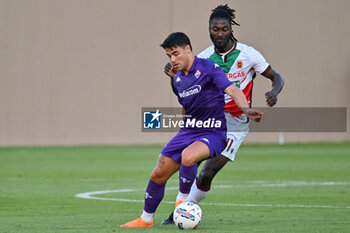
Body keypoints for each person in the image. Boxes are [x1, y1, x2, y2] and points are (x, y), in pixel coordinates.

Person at [120, 32, 263, 227]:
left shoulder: (209, 68)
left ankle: (182, 201)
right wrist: (183, 127)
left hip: (213, 132)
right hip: (188, 131)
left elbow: (232, 90)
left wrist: (245, 109)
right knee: (158, 173)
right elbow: (187, 105)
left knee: (188, 156)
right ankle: (145, 219)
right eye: (169, 56)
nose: (172, 59)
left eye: (175, 54)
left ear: (188, 49)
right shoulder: (178, 79)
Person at [161, 4, 284, 224]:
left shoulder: (248, 54)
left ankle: (182, 211)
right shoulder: (203, 58)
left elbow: (277, 77)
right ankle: (180, 210)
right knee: (189, 162)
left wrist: (273, 92)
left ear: (231, 29)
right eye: (215, 29)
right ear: (209, 29)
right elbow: (187, 92)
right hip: (207, 119)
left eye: (224, 29)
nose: (219, 34)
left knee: (208, 172)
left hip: (236, 122)